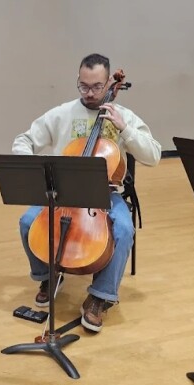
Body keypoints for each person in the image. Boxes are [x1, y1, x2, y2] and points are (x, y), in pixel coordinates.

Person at [13, 53, 161, 332]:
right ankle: (49, 275)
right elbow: (24, 140)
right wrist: (31, 166)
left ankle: (100, 297)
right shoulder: (61, 113)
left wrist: (125, 130)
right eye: (83, 86)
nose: (90, 93)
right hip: (62, 191)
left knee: (123, 229)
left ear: (108, 83)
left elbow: (153, 155)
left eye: (96, 87)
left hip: (103, 196)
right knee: (27, 222)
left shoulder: (123, 116)